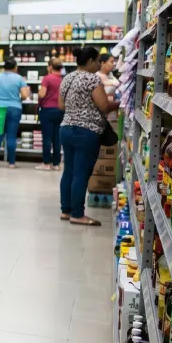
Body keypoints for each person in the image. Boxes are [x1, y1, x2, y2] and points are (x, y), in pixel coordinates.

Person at [59, 46, 119, 226]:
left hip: (66, 129)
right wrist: (119, 103)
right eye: (99, 61)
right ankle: (78, 214)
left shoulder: (67, 77)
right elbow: (104, 106)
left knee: (69, 171)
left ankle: (66, 210)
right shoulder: (92, 79)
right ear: (91, 61)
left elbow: (61, 106)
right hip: (86, 132)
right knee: (81, 174)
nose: (100, 64)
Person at [0, 59, 30, 168]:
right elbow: (25, 95)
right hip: (14, 108)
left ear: (4, 67)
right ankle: (11, 163)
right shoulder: (19, 78)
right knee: (11, 136)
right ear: (15, 67)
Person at [37, 58, 64, 171]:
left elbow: (42, 94)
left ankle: (46, 163)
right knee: (57, 138)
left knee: (47, 138)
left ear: (50, 67)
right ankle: (56, 164)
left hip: (47, 110)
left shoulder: (47, 78)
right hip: (60, 110)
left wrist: (38, 93)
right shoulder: (63, 79)